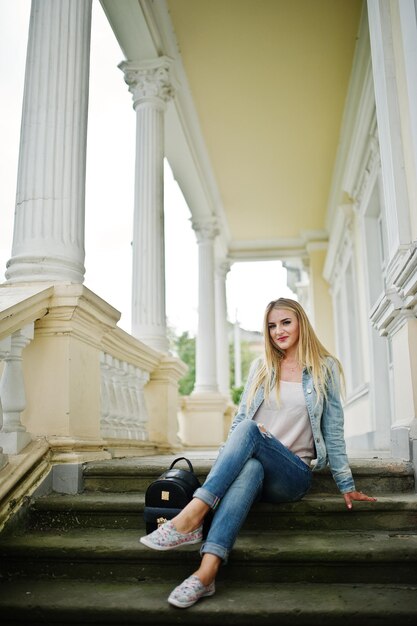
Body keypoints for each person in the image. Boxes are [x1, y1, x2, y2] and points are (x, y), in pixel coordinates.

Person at [140, 297, 376, 608]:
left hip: (292, 474)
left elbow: (333, 430)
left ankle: (192, 517)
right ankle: (205, 574)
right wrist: (224, 473)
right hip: (254, 470)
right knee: (248, 453)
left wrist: (346, 484)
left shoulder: (324, 368)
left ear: (301, 322)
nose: (278, 330)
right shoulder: (261, 368)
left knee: (252, 430)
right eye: (271, 326)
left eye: (286, 322)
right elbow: (240, 419)